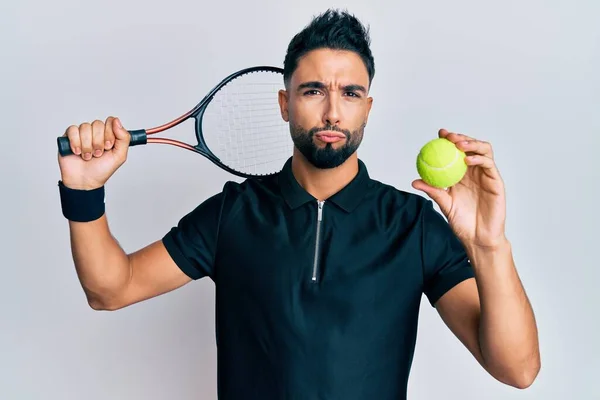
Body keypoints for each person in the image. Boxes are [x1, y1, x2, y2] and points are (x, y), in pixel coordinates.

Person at [56, 9, 540, 399]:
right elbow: (110, 289)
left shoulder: (413, 226)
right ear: (285, 103)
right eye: (313, 91)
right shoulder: (232, 215)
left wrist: (489, 245)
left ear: (367, 108)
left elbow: (517, 370)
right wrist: (83, 191)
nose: (332, 111)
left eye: (350, 93)